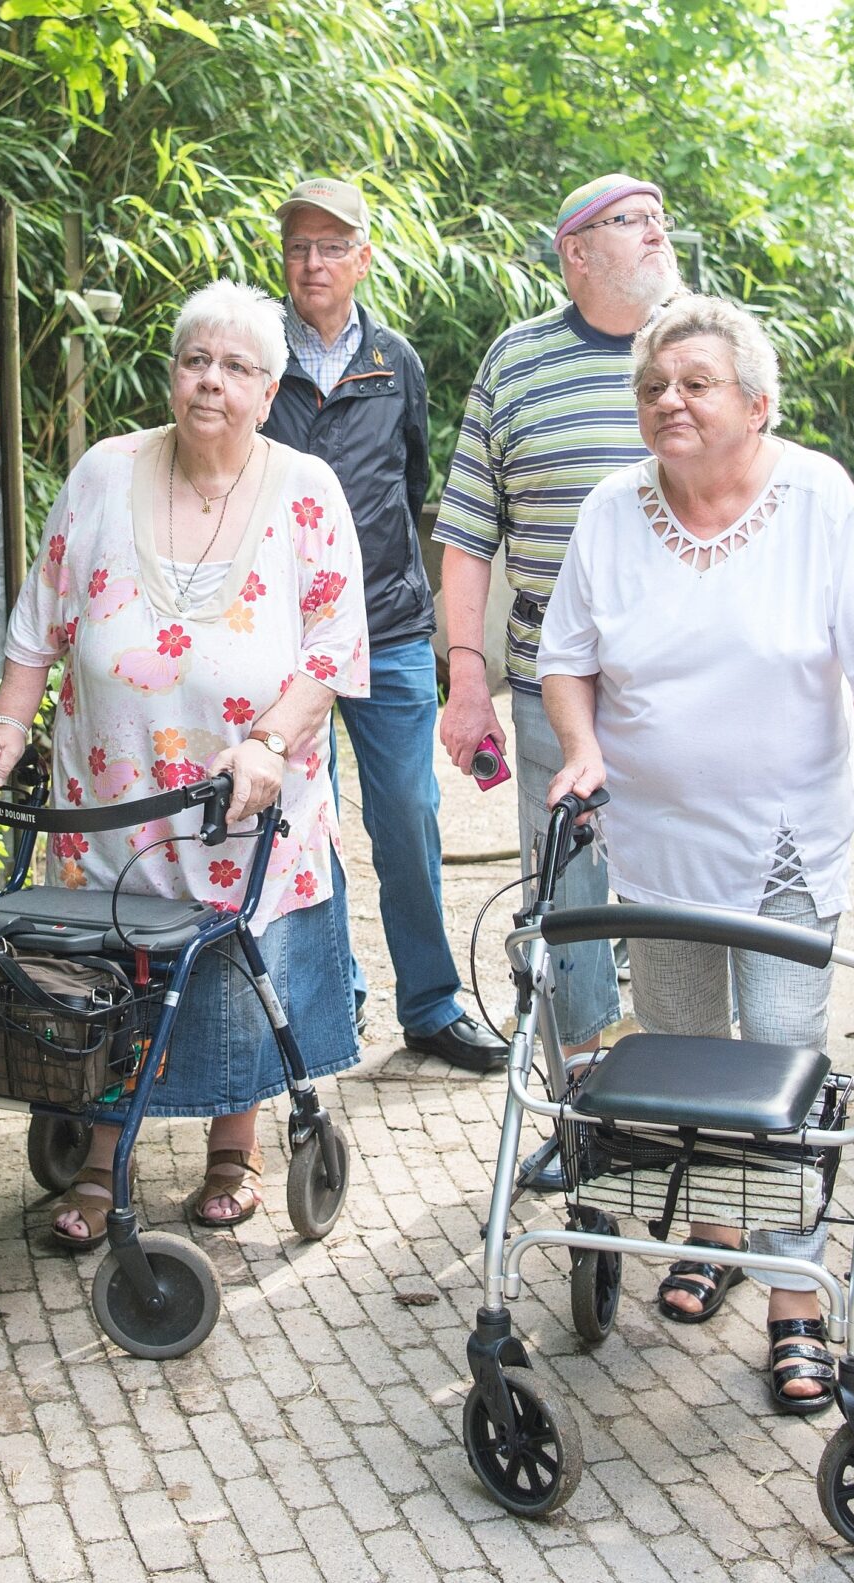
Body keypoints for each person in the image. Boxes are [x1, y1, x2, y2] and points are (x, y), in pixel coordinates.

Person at [538, 295, 854, 1410]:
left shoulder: (813, 494)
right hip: (655, 839)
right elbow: (567, 658)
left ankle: (793, 1292)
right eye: (651, 387)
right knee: (681, 1045)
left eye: (694, 384)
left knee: (779, 1053)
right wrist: (578, 749)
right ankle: (714, 1232)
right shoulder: (610, 512)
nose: (667, 401)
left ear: (756, 404)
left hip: (779, 841)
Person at [0, 280, 366, 1243]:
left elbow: (332, 650)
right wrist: (7, 729)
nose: (210, 381)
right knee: (104, 970)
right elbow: (39, 617)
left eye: (235, 367)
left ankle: (236, 1145)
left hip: (244, 800)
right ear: (170, 374)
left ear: (270, 391)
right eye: (195, 360)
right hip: (109, 800)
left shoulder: (306, 490)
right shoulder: (105, 472)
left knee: (233, 966)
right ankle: (102, 1161)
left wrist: (268, 742)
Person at [437, 172, 678, 1187]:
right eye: (634, 223)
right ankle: (586, 1119)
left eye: (661, 219)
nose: (659, 233)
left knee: (682, 906)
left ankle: (683, 1111)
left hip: (686, 697)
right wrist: (463, 679)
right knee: (568, 910)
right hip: (545, 686)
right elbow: (465, 530)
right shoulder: (516, 360)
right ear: (576, 252)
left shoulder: (699, 350)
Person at [258, 177, 505, 1071]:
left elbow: (410, 483)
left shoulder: (396, 360)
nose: (313, 263)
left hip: (391, 628)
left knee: (406, 813)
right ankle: (332, 998)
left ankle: (432, 1004)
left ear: (363, 258)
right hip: (280, 639)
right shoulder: (254, 356)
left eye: (332, 247)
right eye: (298, 248)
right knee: (298, 821)